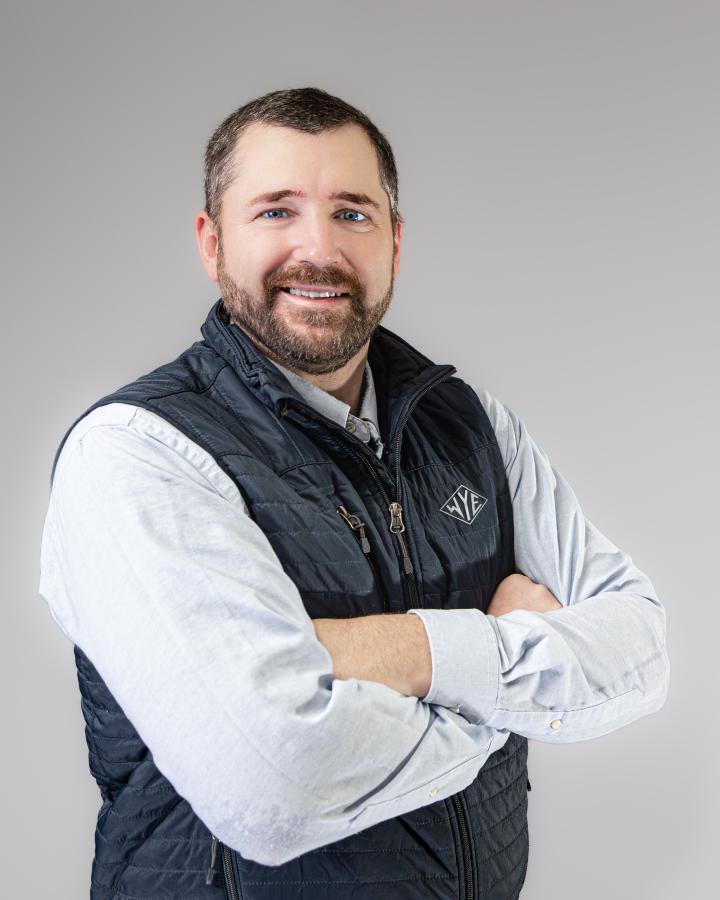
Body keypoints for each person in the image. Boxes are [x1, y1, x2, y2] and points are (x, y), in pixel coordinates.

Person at [38, 86, 670, 900]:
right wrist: (504, 668)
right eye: (275, 211)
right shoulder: (139, 455)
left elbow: (641, 649)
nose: (319, 249)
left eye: (352, 213)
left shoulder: (472, 426)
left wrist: (404, 654)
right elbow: (275, 785)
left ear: (395, 244)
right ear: (211, 242)